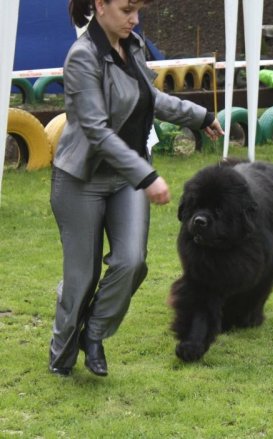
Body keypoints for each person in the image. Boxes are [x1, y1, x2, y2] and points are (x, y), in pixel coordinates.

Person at [48, 0, 224, 377]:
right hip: (82, 179)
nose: (135, 18)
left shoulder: (133, 46)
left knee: (132, 262)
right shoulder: (82, 57)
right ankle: (61, 358)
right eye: (127, 9)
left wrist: (201, 117)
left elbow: (151, 98)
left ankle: (93, 335)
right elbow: (95, 130)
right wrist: (146, 176)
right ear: (99, 5)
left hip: (125, 176)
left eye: (138, 10)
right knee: (81, 279)